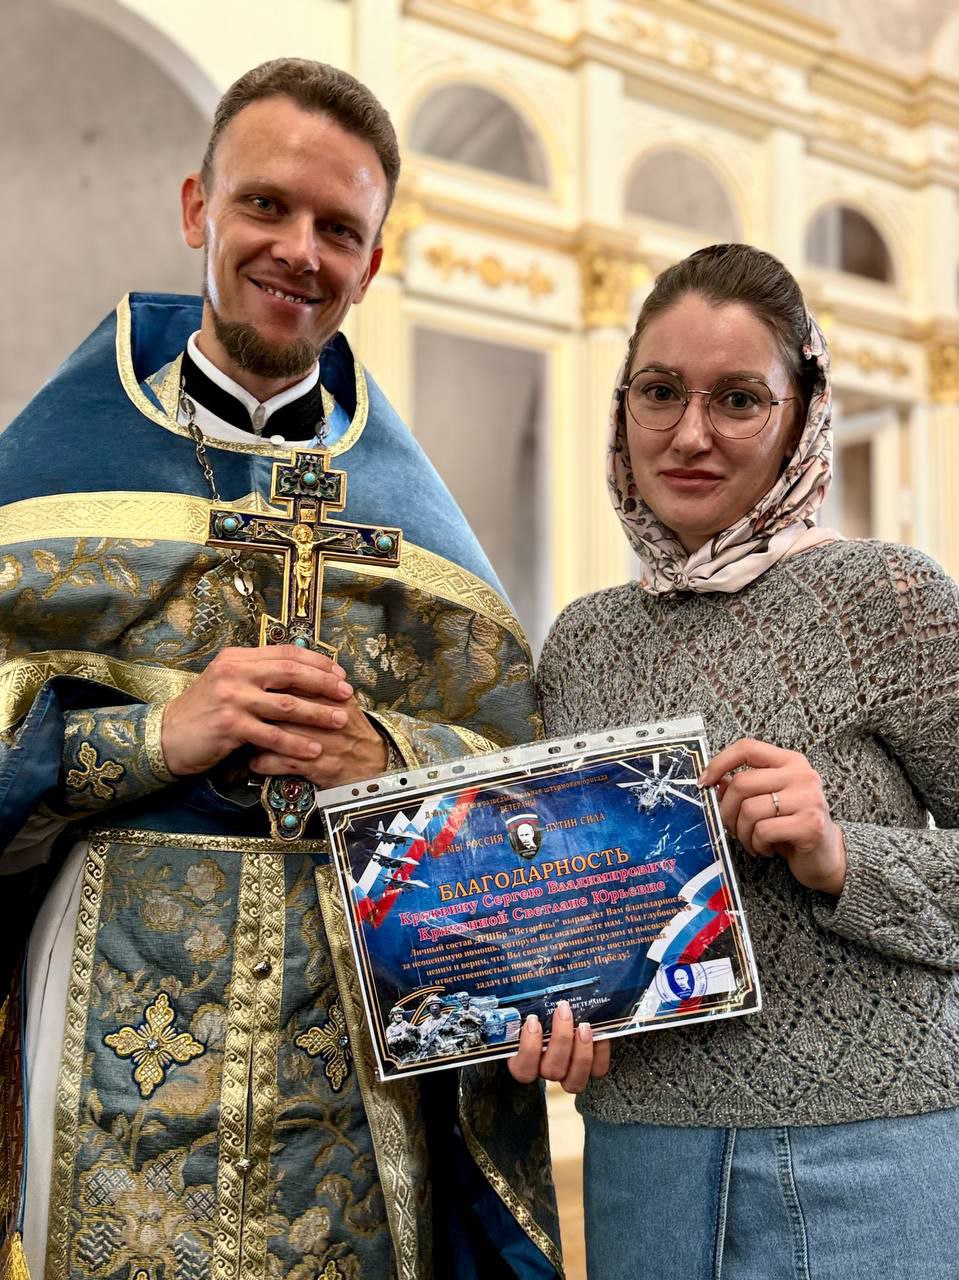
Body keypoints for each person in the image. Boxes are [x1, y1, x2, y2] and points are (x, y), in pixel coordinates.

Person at [0, 58, 606, 1280]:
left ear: (371, 262)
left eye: (338, 227)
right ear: (198, 209)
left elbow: (515, 778)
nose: (298, 250)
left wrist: (387, 756)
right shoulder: (50, 479)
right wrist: (153, 733)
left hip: (347, 1060)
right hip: (108, 1028)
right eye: (265, 205)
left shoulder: (419, 536)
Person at [537, 243, 959, 1278]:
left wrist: (839, 853)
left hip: (869, 1154)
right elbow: (557, 903)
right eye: (658, 391)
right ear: (622, 406)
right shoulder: (579, 642)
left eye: (736, 399)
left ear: (799, 412)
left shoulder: (886, 600)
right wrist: (545, 1008)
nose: (689, 433)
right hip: (641, 1161)